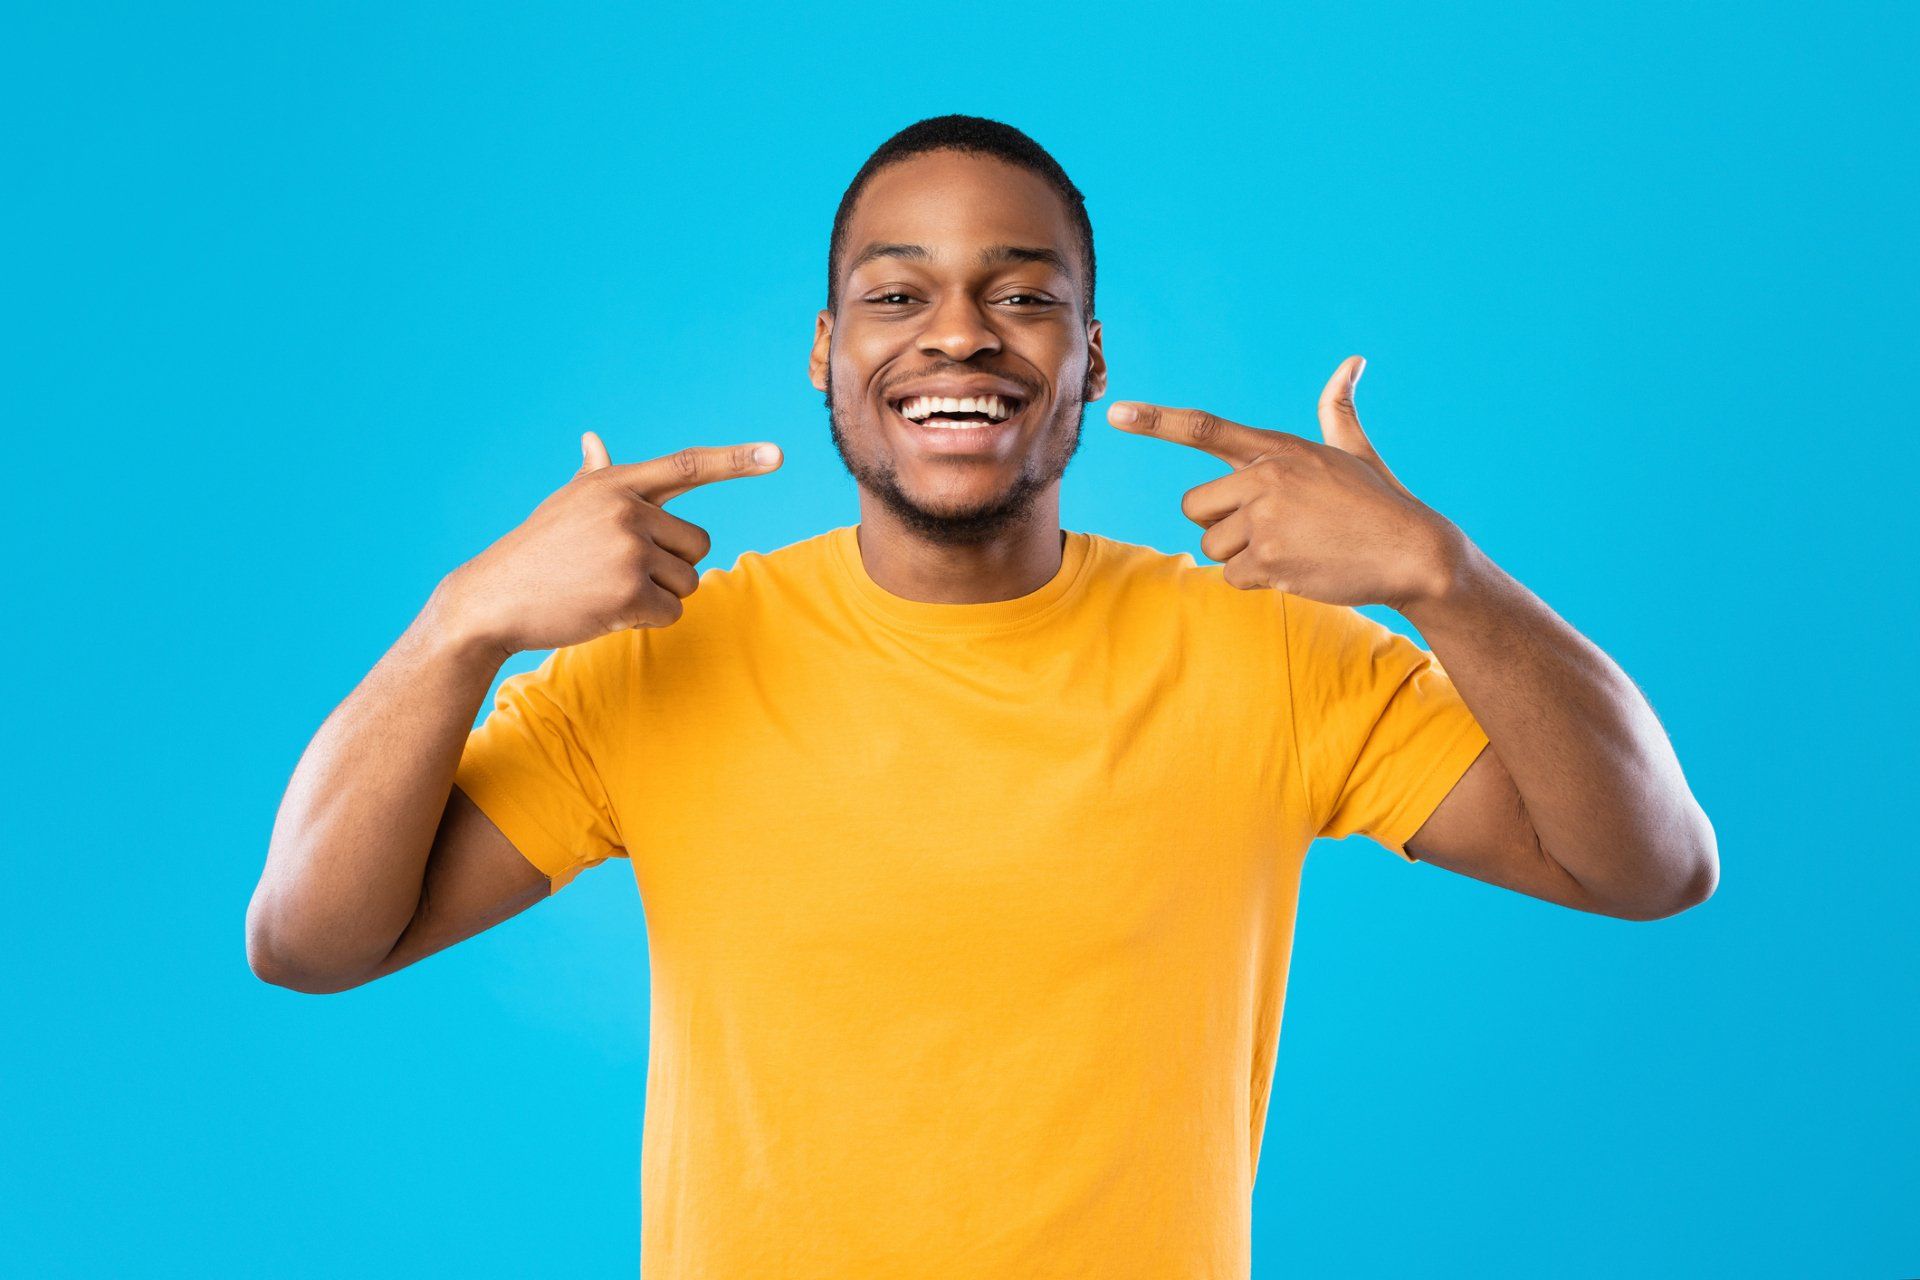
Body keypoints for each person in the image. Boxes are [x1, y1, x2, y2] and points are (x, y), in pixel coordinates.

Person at [247, 114, 1718, 1278]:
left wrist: (1441, 577)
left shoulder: (1269, 650)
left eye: (1024, 297)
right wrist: (462, 624)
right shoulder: (660, 661)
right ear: (829, 356)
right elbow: (310, 939)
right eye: (897, 294)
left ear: (1088, 360)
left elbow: (1648, 864)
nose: (959, 334)